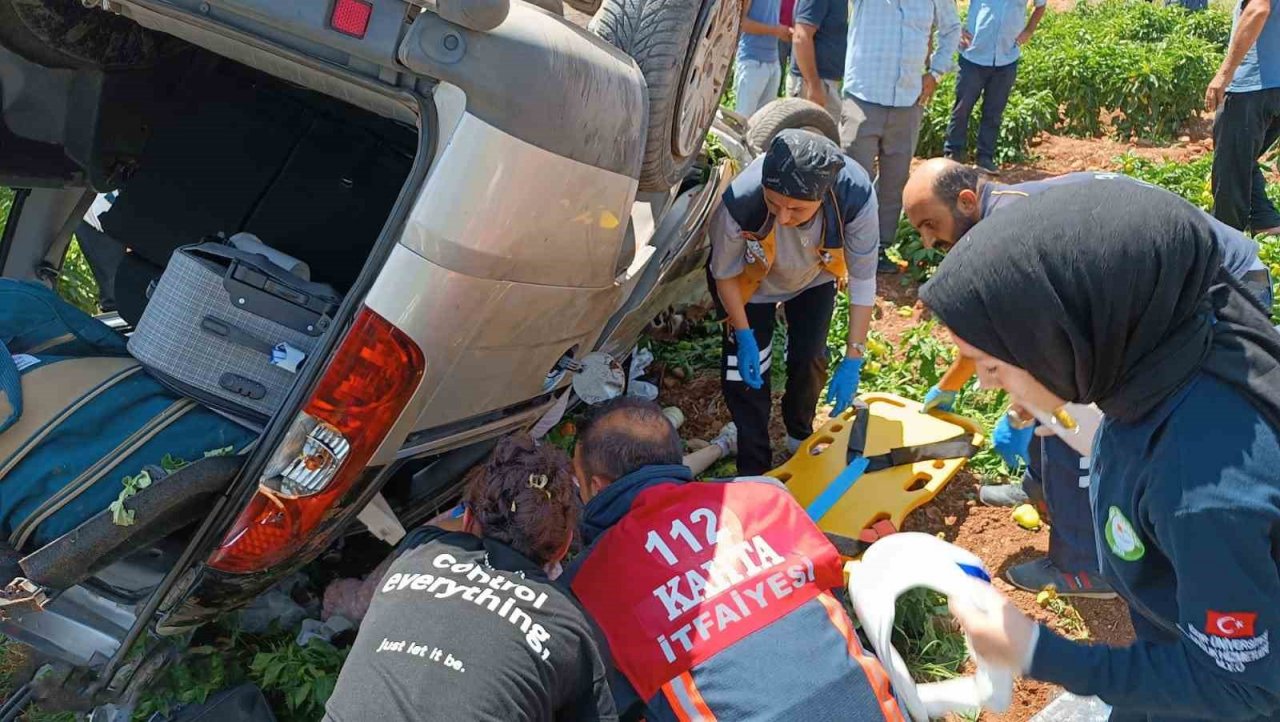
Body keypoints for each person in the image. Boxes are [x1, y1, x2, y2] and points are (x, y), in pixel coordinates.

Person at [921, 181, 1280, 721]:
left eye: (991, 366)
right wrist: (1045, 407)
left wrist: (1038, 652)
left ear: (1062, 339)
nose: (986, 385)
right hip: (1174, 643)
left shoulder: (1201, 494)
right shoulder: (1166, 355)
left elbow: (1240, 688)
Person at [901, 160, 1272, 596]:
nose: (929, 241)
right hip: (1166, 280)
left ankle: (1085, 565)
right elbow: (1004, 342)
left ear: (966, 201)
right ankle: (1040, 487)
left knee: (1073, 409)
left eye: (930, 224)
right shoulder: (1004, 212)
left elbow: (1038, 354)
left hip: (1216, 282)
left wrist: (1032, 404)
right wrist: (1000, 397)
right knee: (1053, 400)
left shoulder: (1006, 240)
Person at [562, 397, 904, 721]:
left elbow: (604, 704)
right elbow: (832, 593)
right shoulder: (767, 497)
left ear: (597, 486)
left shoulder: (588, 584)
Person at [323, 435, 617, 722]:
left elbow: (445, 527)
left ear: (466, 520)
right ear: (564, 547)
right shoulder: (572, 629)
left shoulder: (420, 548)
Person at [708, 129, 879, 475]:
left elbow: (863, 280)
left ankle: (799, 434)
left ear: (824, 194)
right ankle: (753, 465)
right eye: (773, 204)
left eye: (797, 209)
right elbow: (724, 274)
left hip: (814, 277)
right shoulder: (740, 202)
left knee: (810, 357)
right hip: (751, 285)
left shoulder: (854, 196)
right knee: (745, 376)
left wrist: (854, 357)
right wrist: (743, 334)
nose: (783, 218)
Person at [840, 0, 960, 271]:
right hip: (863, 97)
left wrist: (935, 73)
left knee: (894, 183)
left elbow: (952, 29)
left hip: (908, 101)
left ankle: (879, 249)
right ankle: (843, 246)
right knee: (853, 178)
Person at [942, 0, 1046, 174]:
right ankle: (953, 154)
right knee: (962, 108)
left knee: (994, 112)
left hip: (1006, 57)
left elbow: (1040, 5)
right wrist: (957, 28)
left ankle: (985, 158)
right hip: (973, 55)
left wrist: (1029, 31)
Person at [1207, 0, 1280, 234]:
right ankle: (1265, 220)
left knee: (1230, 168)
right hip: (1274, 88)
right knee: (1243, 160)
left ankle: (1228, 242)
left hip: (1251, 87)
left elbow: (1258, 10)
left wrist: (1224, 74)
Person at [787, 0, 847, 119]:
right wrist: (813, 85)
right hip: (813, 83)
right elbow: (801, 37)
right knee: (809, 131)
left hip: (824, 82)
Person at [735, 0, 792, 117]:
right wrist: (775, 30)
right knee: (743, 119)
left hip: (773, 62)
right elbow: (741, 23)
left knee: (765, 122)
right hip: (752, 61)